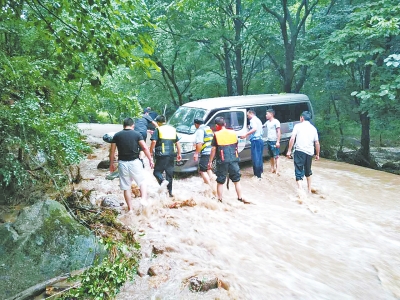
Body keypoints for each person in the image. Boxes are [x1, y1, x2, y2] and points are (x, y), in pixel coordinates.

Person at [109, 117, 154, 212]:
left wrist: (111, 164)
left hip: (122, 163)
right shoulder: (137, 134)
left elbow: (112, 152)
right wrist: (150, 159)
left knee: (126, 187)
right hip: (135, 162)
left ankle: (130, 209)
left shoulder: (116, 136)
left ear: (123, 125)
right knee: (142, 182)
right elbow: (145, 148)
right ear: (133, 125)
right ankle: (143, 199)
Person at [208, 117, 245, 203]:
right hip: (234, 159)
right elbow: (236, 145)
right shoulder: (233, 133)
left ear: (217, 126)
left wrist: (210, 161)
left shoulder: (216, 134)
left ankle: (220, 200)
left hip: (222, 160)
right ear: (225, 124)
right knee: (237, 180)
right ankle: (240, 198)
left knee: (220, 181)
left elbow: (213, 149)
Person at [286, 111, 320, 193]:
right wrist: (317, 154)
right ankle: (309, 190)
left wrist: (289, 151)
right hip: (309, 152)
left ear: (302, 118)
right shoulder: (313, 129)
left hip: (299, 151)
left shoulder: (298, 126)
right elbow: (317, 143)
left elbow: (292, 138)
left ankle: (301, 190)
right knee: (308, 171)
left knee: (298, 171)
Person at [150, 115, 182, 197]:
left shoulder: (158, 129)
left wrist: (150, 152)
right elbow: (177, 143)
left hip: (162, 155)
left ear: (158, 123)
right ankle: (170, 193)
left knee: (156, 172)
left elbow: (153, 141)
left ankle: (162, 181)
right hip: (171, 154)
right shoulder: (172, 129)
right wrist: (179, 153)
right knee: (169, 174)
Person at [240, 110, 264, 179]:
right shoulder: (258, 120)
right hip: (260, 140)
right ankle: (260, 173)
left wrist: (246, 134)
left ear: (251, 113)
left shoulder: (252, 120)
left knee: (255, 158)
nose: (247, 117)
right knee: (259, 157)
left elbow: (254, 129)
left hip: (255, 141)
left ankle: (257, 176)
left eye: (247, 115)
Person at [193, 118, 214, 185]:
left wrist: (196, 154)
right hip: (212, 152)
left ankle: (211, 188)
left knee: (202, 171)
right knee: (208, 168)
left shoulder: (200, 130)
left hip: (206, 152)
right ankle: (214, 183)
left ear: (196, 124)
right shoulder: (208, 129)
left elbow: (200, 143)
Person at [263, 108, 281, 174]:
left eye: (267, 114)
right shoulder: (267, 122)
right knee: (271, 156)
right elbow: (262, 126)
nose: (266, 115)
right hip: (269, 141)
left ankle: (277, 170)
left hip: (274, 141)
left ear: (271, 114)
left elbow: (279, 132)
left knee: (276, 156)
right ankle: (272, 168)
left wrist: (278, 141)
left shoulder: (276, 122)